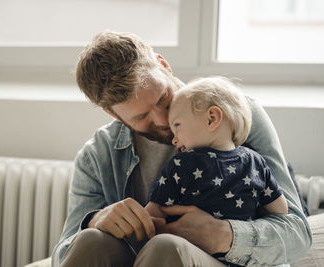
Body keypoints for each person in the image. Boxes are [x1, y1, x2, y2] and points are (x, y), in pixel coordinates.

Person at [52, 30, 311, 267]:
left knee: (166, 248)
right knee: (91, 241)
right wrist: (94, 222)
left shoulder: (235, 114)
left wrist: (223, 235)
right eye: (142, 117)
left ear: (164, 66)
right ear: (114, 114)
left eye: (163, 98)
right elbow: (62, 255)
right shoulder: (97, 155)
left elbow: (296, 232)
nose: (163, 121)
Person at [145, 77, 288, 266]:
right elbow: (281, 210)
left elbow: (151, 216)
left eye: (177, 126)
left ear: (212, 119)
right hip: (245, 259)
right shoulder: (256, 162)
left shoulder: (183, 164)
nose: (174, 139)